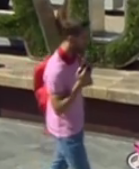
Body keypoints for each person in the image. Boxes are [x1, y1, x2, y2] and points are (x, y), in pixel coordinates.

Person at [44, 15, 94, 169]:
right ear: (71, 39)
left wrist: (86, 74)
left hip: (75, 123)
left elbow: (86, 81)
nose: (86, 42)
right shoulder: (55, 70)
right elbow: (58, 108)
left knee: (59, 164)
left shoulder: (75, 56)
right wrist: (79, 84)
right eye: (83, 38)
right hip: (66, 130)